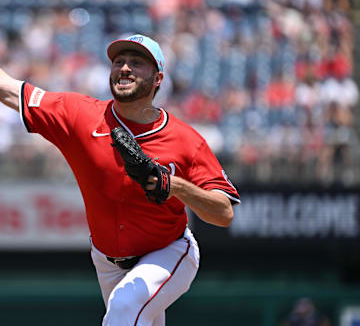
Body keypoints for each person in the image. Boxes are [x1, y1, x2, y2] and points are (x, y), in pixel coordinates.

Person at [0, 34, 240, 325]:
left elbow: (224, 213)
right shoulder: (79, 115)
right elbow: (9, 91)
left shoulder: (186, 141)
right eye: (118, 61)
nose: (124, 68)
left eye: (136, 62)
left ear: (158, 78)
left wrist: (175, 186)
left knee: (125, 305)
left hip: (168, 251)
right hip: (106, 261)